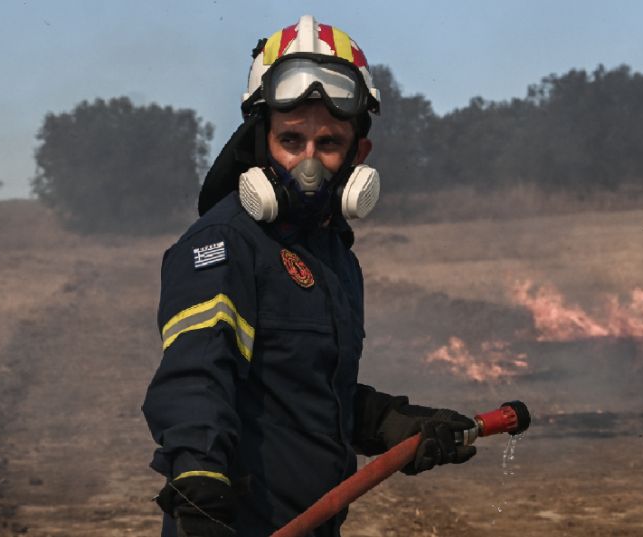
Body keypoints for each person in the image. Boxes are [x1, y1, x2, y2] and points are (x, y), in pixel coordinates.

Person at [142, 15, 477, 537]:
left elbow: (305, 389)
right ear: (259, 142)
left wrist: (394, 424)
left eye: (328, 144)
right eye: (290, 139)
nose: (308, 163)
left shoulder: (333, 256)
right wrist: (199, 484)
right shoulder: (224, 243)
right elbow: (197, 371)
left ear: (357, 155)